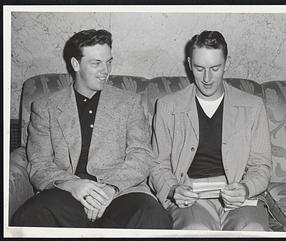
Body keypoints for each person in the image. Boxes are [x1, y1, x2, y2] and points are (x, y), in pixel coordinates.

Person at [11, 29, 172, 229]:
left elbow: (141, 155)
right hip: (67, 193)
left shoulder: (129, 102)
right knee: (31, 215)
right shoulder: (45, 107)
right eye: (96, 63)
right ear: (75, 64)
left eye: (109, 61)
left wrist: (110, 188)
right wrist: (73, 185)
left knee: (153, 216)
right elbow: (39, 163)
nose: (106, 70)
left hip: (121, 193)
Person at [150, 30, 272, 231]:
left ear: (227, 63)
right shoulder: (167, 106)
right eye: (199, 68)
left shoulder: (253, 106)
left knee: (252, 228)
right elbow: (157, 164)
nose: (207, 78)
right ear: (189, 64)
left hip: (239, 195)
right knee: (196, 229)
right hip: (190, 196)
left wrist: (246, 188)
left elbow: (261, 165)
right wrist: (173, 189)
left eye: (215, 68)